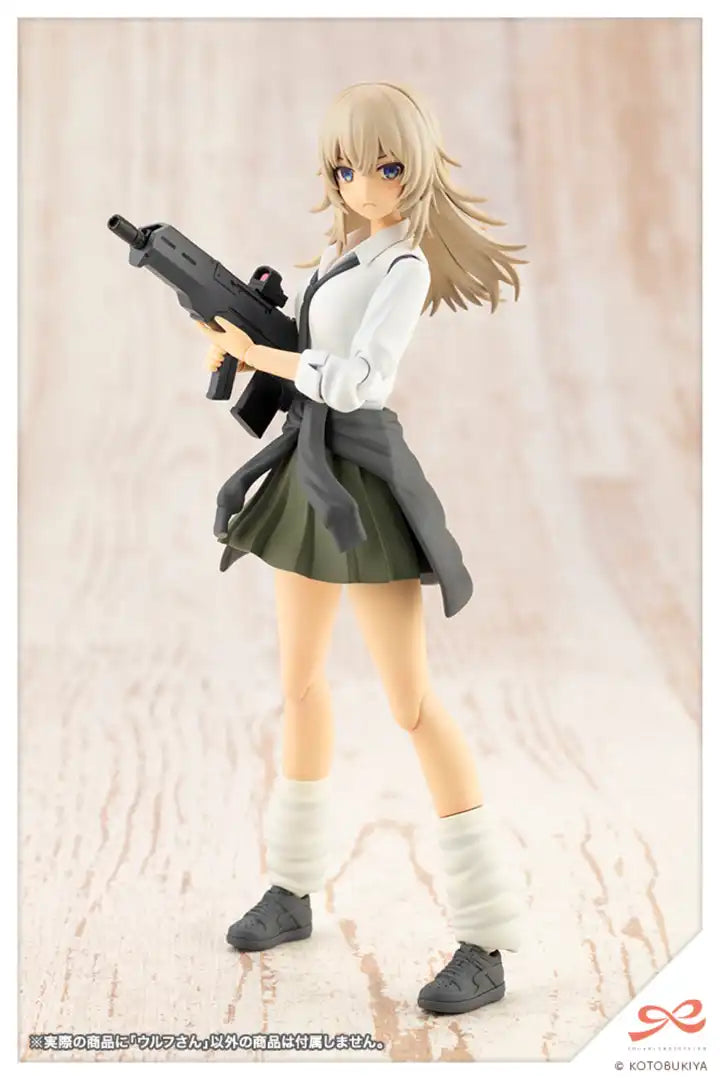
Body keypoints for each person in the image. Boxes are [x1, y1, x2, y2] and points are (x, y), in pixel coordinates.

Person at [196, 81, 527, 1016]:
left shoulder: (404, 268)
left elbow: (359, 380)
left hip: (363, 482)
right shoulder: (336, 261)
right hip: (306, 471)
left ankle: (487, 936)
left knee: (409, 700)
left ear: (413, 168)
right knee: (300, 683)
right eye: (346, 168)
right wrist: (235, 347)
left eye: (384, 166)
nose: (365, 184)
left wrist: (265, 358)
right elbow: (302, 359)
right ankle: (291, 888)